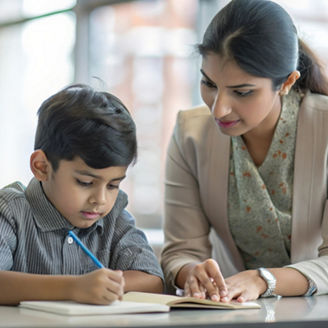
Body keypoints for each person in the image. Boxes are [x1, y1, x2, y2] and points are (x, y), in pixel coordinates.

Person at [161, 0, 328, 302]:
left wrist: (263, 280)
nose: (218, 108)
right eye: (208, 83)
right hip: (230, 312)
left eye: (242, 92)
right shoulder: (190, 133)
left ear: (287, 82)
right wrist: (193, 272)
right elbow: (181, 250)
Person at [0, 84, 163, 305]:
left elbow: (152, 280)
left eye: (113, 185)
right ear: (42, 167)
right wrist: (74, 287)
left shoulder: (113, 217)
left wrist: (103, 286)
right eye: (85, 182)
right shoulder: (10, 211)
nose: (101, 200)